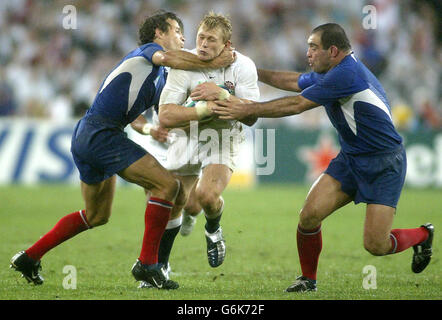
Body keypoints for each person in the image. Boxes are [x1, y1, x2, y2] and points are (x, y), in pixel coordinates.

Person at [10, 10, 234, 290]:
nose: (183, 37)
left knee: (96, 216)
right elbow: (171, 58)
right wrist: (213, 59)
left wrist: (152, 129)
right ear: (159, 33)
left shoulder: (159, 79)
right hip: (101, 134)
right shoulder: (148, 52)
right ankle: (148, 264)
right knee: (168, 186)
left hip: (89, 135)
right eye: (177, 31)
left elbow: (145, 116)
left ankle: (29, 257)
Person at [213, 23, 434, 292]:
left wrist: (246, 109)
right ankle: (308, 280)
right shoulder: (330, 71)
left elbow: (297, 104)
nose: (307, 53)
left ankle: (423, 235)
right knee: (309, 216)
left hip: (384, 163)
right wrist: (248, 70)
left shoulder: (346, 75)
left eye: (313, 47)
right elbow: (293, 82)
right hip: (351, 159)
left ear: (332, 50)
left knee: (376, 245)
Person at [155, 11, 260, 271]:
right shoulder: (185, 65)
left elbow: (252, 116)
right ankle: (161, 266)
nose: (203, 44)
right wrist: (203, 109)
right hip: (188, 133)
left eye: (211, 40)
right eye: (201, 37)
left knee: (206, 196)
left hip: (222, 136)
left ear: (227, 45)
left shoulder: (243, 66)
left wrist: (222, 95)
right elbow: (166, 115)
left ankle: (213, 231)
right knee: (179, 201)